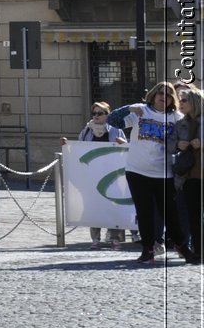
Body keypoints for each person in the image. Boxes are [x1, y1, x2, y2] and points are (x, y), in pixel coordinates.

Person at [109, 81, 183, 262]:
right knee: (144, 213)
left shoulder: (176, 117)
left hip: (163, 172)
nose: (163, 97)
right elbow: (112, 120)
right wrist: (129, 108)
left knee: (170, 213)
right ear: (153, 94)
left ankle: (181, 246)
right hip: (137, 171)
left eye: (167, 95)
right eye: (160, 94)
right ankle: (148, 248)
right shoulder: (141, 110)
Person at [60, 102, 129, 248]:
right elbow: (79, 151)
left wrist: (123, 144)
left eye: (100, 113)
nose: (96, 116)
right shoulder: (86, 132)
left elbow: (126, 151)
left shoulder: (116, 131)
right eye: (94, 113)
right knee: (93, 205)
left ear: (107, 115)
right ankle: (95, 239)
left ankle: (114, 237)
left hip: (112, 176)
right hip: (92, 176)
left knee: (113, 206)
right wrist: (67, 146)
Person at [174, 87, 203, 264]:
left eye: (184, 100)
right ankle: (198, 251)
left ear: (195, 102)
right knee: (194, 215)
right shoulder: (180, 124)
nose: (180, 103)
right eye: (180, 100)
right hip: (190, 175)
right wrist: (178, 145)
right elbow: (170, 146)